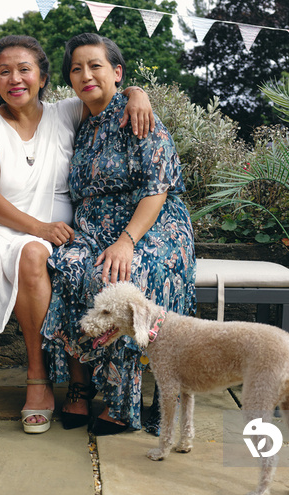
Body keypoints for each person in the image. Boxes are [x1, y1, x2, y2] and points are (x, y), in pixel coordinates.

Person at [0, 35, 154, 434]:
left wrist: (137, 92)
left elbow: (106, 92)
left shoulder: (65, 113)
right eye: (4, 71)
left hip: (44, 239)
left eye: (24, 70)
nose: (14, 79)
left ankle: (37, 377)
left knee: (34, 255)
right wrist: (39, 226)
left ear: (42, 77)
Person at [41, 33, 197, 435]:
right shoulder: (80, 121)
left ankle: (122, 404)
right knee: (67, 267)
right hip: (94, 230)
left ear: (117, 72)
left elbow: (156, 188)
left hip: (150, 226)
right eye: (77, 68)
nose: (86, 74)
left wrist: (126, 240)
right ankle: (80, 385)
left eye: (96, 65)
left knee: (120, 278)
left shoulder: (138, 117)